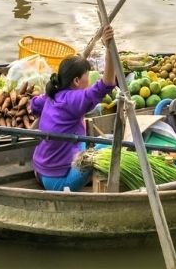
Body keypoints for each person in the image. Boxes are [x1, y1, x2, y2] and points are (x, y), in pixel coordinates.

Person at [31, 26, 116, 191]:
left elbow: (34, 104)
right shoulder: (72, 99)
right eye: (87, 75)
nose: (89, 79)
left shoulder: (52, 93)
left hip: (39, 170)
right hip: (59, 182)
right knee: (109, 143)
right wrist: (109, 51)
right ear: (76, 81)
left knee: (84, 139)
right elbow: (106, 85)